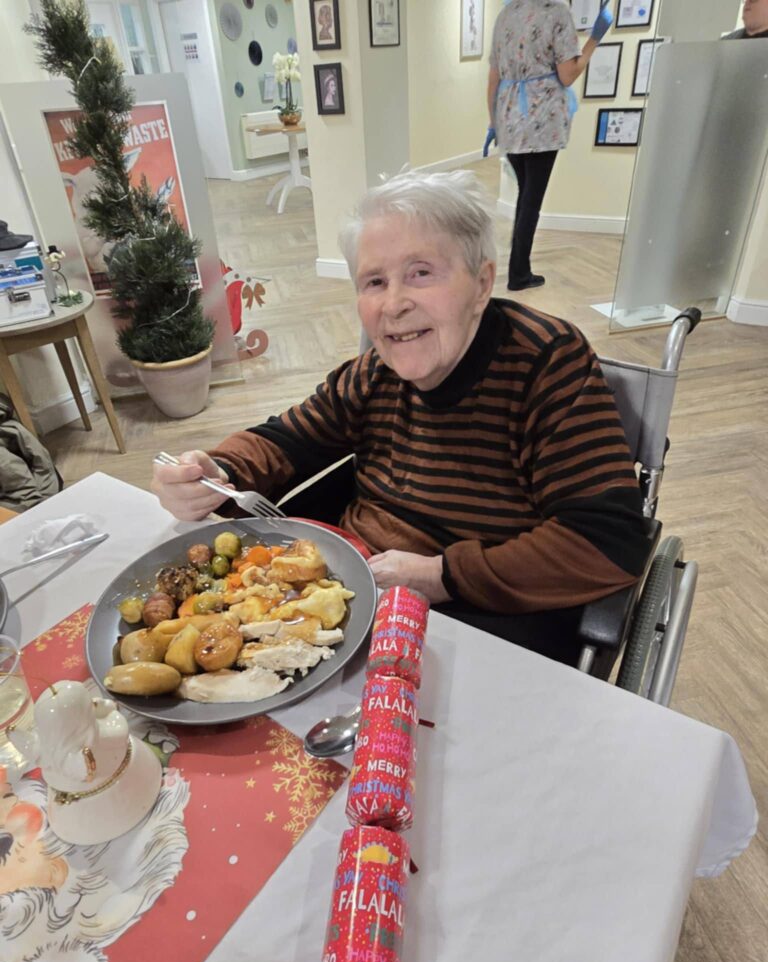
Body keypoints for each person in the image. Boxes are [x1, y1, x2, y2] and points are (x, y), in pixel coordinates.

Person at [152, 170, 651, 666]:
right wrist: (219, 472)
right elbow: (286, 438)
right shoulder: (374, 374)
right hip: (351, 603)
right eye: (375, 281)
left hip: (482, 624)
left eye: (421, 273)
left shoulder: (547, 363)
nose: (393, 305)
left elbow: (607, 542)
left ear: (481, 284)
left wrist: (442, 575)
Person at [485, 1, 612, 291]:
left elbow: (493, 78)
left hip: (509, 119)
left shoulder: (507, 13)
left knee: (525, 195)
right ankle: (519, 274)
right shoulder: (556, 12)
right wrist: (594, 40)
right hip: (541, 121)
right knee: (531, 200)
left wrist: (493, 123)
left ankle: (519, 268)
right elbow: (568, 74)